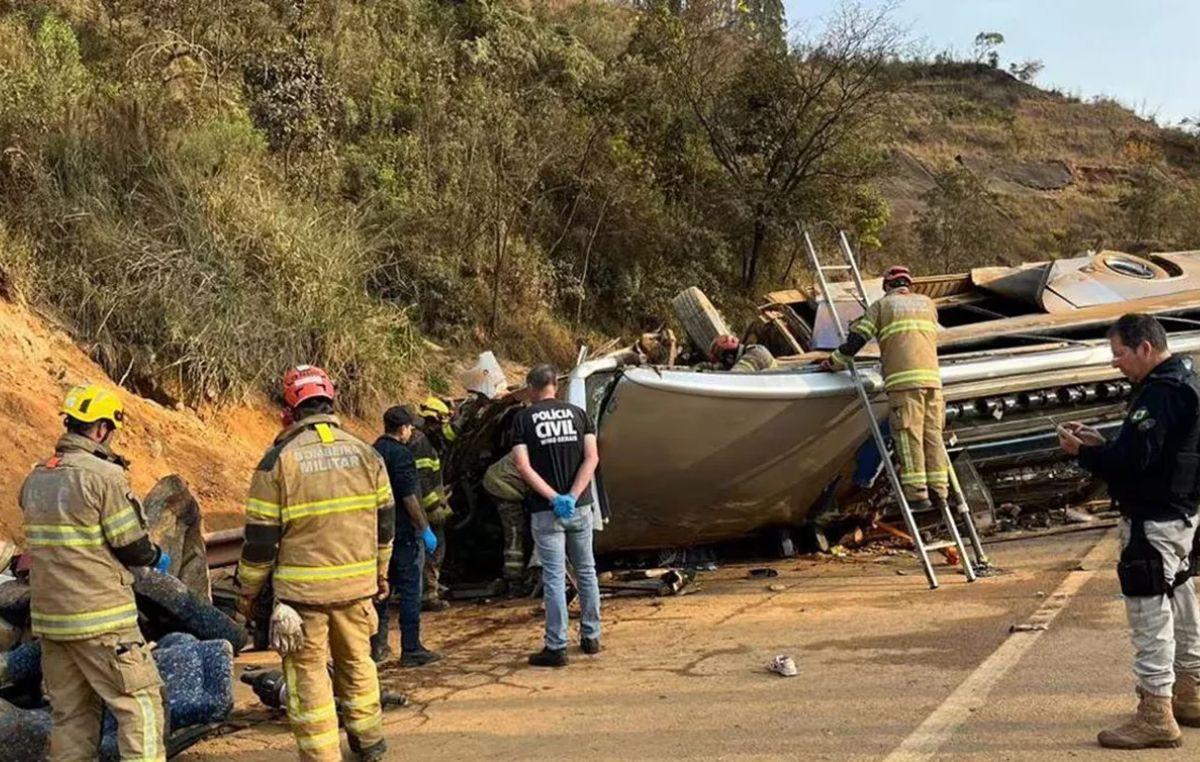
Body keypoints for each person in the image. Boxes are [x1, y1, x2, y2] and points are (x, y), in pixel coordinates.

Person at [235, 365, 395, 762]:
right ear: (331, 402)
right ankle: (370, 742)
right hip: (357, 589)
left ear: (290, 411)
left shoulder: (277, 462)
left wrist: (248, 593)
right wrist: (380, 572)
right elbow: (385, 523)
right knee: (358, 665)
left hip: (301, 599)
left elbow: (260, 540)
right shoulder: (366, 453)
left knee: (308, 681)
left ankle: (322, 755)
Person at [1058, 314, 1200, 749]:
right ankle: (1190, 692)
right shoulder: (1188, 380)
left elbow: (1134, 461)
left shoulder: (1161, 393)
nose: (1115, 363)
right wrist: (1105, 443)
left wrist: (1083, 452)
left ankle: (1155, 712)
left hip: (1154, 519)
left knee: (1148, 611)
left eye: (1119, 354)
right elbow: (1150, 451)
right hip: (1180, 513)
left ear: (1145, 348)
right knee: (1179, 597)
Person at [20, 384, 170, 761]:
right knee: (140, 708)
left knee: (71, 719)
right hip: (103, 623)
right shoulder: (103, 476)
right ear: (102, 428)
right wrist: (155, 555)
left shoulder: (36, 478)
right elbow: (132, 545)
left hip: (53, 623)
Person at [821, 265, 946, 513]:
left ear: (887, 286)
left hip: (904, 384)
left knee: (908, 435)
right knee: (932, 435)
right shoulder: (928, 305)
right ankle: (940, 491)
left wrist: (834, 362)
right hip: (933, 382)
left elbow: (856, 341)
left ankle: (917, 494)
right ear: (908, 284)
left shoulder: (882, 306)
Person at [512, 364, 601, 667]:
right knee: (587, 571)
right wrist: (573, 496)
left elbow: (523, 467)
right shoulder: (579, 415)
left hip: (545, 511)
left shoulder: (523, 419)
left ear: (531, 387)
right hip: (581, 506)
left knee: (553, 577)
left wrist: (553, 498)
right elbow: (592, 458)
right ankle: (591, 637)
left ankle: (557, 646)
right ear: (556, 386)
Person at [371, 405, 442, 667]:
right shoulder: (402, 454)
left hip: (378, 534)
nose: (412, 430)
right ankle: (411, 648)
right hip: (404, 533)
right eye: (410, 427)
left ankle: (378, 647)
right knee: (412, 589)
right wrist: (424, 528)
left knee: (381, 589)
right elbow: (409, 497)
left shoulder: (372, 451)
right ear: (402, 429)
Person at [409, 422, 452, 612]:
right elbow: (422, 481)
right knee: (433, 551)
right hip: (425, 509)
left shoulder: (420, 441)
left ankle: (429, 589)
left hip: (421, 507)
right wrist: (434, 506)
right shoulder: (421, 444)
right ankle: (429, 595)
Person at [483, 450, 531, 591]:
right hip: (503, 486)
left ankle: (514, 577)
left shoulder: (535, 443)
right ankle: (514, 579)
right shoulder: (542, 452)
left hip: (496, 480)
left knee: (515, 531)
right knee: (515, 532)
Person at [707, 334, 777, 372]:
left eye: (724, 339)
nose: (730, 337)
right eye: (724, 340)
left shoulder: (757, 352)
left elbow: (735, 378)